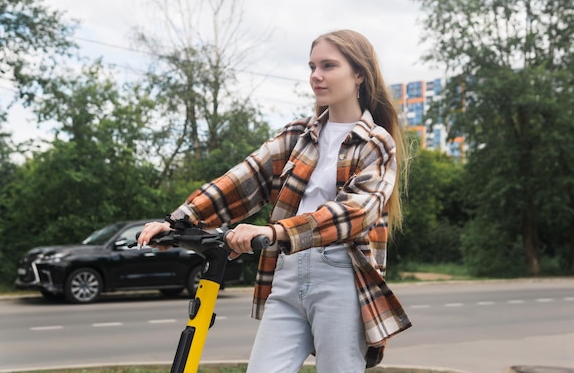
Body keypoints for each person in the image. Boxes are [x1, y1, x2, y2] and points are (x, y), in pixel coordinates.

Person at [138, 29, 412, 372]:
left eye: (328, 65)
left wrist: (273, 232)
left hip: (341, 276)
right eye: (312, 66)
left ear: (359, 73)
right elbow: (243, 179)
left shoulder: (376, 143)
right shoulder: (298, 135)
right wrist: (179, 220)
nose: (316, 75)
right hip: (287, 272)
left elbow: (357, 212)